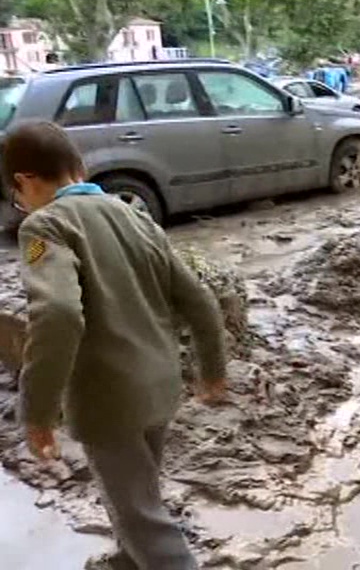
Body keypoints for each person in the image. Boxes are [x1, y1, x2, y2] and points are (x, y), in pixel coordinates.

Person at [4, 121, 228, 569]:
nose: (19, 205)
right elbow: (200, 301)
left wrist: (38, 410)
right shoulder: (135, 216)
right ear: (78, 166)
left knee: (142, 514)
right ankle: (130, 561)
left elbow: (59, 315)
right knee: (138, 494)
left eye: (15, 197)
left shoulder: (45, 229)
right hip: (160, 386)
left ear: (25, 181)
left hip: (107, 401)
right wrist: (212, 369)